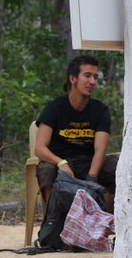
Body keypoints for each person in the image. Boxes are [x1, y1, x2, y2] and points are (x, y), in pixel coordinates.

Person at [34, 55, 117, 204]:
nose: (92, 81)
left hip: (89, 162)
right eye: (87, 76)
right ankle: (53, 220)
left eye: (95, 77)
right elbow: (39, 149)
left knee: (119, 168)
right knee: (46, 169)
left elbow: (100, 149)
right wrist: (61, 163)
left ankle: (115, 220)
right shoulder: (54, 108)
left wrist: (92, 177)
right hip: (61, 163)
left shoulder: (101, 110)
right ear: (73, 79)